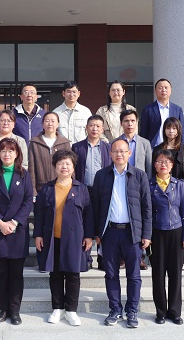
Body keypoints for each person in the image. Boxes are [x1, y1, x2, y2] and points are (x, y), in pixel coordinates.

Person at [91, 138, 152, 329]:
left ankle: (132, 310)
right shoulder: (101, 175)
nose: (119, 154)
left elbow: (147, 207)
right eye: (115, 151)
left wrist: (146, 234)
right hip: (109, 232)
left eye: (122, 151)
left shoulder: (139, 175)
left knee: (134, 275)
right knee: (111, 274)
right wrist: (96, 233)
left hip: (132, 233)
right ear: (110, 154)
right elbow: (95, 206)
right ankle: (115, 309)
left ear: (129, 153)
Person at [33, 150, 94, 326]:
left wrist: (89, 236)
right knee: (56, 274)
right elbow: (39, 214)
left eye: (68, 163)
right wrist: (38, 234)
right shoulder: (47, 189)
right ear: (55, 166)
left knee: (73, 274)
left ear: (73, 167)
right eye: (60, 163)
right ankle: (57, 308)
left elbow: (88, 214)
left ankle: (71, 310)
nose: (64, 167)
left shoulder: (81, 189)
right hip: (53, 238)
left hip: (75, 239)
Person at [0, 138, 33, 325]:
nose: (7, 154)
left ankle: (15, 310)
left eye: (11, 151)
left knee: (16, 273)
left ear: (17, 153)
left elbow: (28, 200)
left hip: (17, 231)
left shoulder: (24, 174)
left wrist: (14, 222)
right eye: (3, 150)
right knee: (1, 272)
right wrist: (0, 222)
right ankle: (3, 309)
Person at [150, 149, 184, 325]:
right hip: (157, 233)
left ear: (172, 165)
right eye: (160, 161)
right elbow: (147, 213)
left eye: (167, 162)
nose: (163, 164)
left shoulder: (179, 185)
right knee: (158, 274)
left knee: (175, 274)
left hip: (176, 232)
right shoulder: (149, 185)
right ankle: (160, 311)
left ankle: (174, 311)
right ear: (155, 165)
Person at [72, 114, 112, 270]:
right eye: (92, 125)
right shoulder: (77, 147)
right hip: (84, 190)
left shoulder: (108, 148)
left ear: (102, 129)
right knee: (85, 224)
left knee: (102, 224)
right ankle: (86, 258)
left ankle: (102, 259)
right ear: (86, 128)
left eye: (98, 126)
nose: (95, 129)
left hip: (103, 191)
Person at [153, 117, 184, 269]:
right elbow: (153, 171)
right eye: (168, 128)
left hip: (178, 193)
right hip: (160, 191)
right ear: (164, 130)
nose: (171, 131)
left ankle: (181, 259)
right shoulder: (158, 149)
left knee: (180, 224)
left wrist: (178, 189)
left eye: (174, 128)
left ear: (178, 131)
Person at [28, 112, 71, 197]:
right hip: (41, 189)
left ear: (58, 124)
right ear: (42, 124)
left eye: (53, 121)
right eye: (47, 121)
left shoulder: (65, 143)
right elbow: (31, 168)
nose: (50, 124)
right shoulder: (35, 142)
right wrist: (33, 191)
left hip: (61, 188)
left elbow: (70, 167)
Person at [140, 78, 184, 147]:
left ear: (171, 91)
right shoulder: (148, 110)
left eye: (166, 88)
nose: (163, 90)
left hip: (172, 148)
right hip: (154, 148)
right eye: (160, 88)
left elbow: (181, 132)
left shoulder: (177, 110)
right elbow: (143, 132)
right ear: (155, 91)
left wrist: (182, 148)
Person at [53, 81, 91, 145]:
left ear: (78, 94)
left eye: (74, 92)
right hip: (62, 149)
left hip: (82, 148)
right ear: (63, 93)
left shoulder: (85, 112)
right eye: (68, 92)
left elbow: (90, 132)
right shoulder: (56, 113)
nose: (71, 95)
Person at [119, 109, 153, 180]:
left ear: (137, 122)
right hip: (120, 179)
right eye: (126, 121)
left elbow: (149, 166)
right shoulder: (114, 143)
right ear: (121, 123)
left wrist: (148, 182)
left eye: (133, 121)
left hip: (139, 181)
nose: (130, 124)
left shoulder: (145, 143)